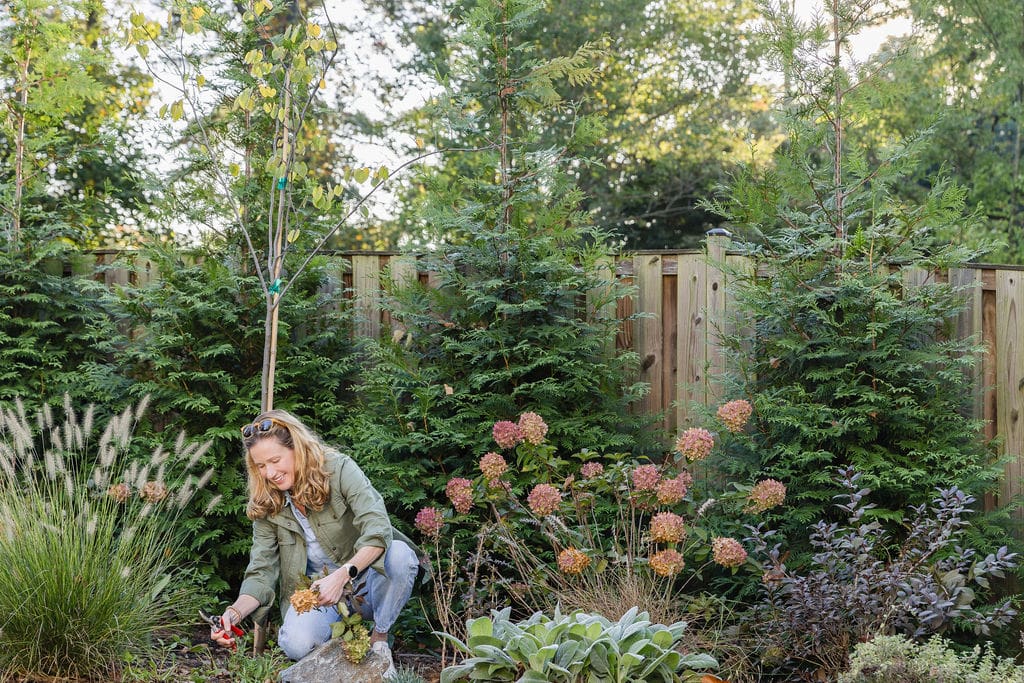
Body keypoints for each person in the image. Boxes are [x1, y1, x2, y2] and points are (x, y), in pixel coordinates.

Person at [209, 409, 421, 679]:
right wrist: (234, 613)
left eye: (275, 460)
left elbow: (378, 530)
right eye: (261, 466)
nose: (270, 473)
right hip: (316, 595)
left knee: (400, 556)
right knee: (296, 644)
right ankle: (343, 648)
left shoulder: (339, 468)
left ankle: (379, 642)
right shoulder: (267, 503)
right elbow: (261, 571)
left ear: (297, 448)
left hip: (366, 582)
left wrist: (343, 574)